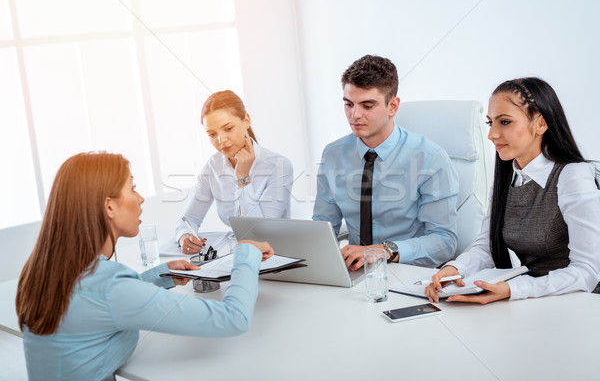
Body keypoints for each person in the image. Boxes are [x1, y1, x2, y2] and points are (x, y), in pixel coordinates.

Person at [16, 152, 274, 380]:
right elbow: (233, 319)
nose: (140, 199)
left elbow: (95, 301)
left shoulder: (43, 272)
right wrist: (245, 255)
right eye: (133, 188)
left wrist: (160, 276)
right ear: (109, 206)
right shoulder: (110, 287)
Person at [425, 77, 600, 304]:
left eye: (505, 122)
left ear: (541, 124)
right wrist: (454, 269)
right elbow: (487, 248)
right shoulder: (508, 179)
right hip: (531, 301)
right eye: (490, 123)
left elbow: (587, 271)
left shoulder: (572, 176)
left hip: (579, 304)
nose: (492, 134)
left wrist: (513, 289)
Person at [313, 55, 459, 270]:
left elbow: (444, 242)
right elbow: (323, 227)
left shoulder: (430, 158)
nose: (355, 115)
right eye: (349, 104)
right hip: (355, 273)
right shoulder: (333, 155)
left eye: (367, 105)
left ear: (393, 106)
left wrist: (382, 250)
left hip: (408, 272)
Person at [175, 90, 293, 255]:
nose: (221, 140)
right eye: (212, 134)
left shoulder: (278, 166)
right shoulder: (212, 167)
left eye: (228, 128)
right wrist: (184, 236)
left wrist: (242, 179)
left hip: (275, 257)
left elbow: (259, 233)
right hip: (236, 255)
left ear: (246, 121)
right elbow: (189, 219)